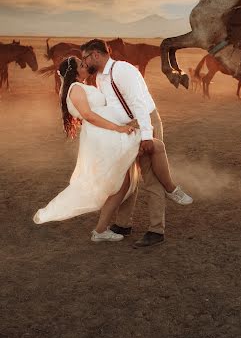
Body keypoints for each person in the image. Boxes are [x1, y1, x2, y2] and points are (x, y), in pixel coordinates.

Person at [80, 39, 192, 248]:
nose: (84, 63)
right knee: (127, 177)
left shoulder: (123, 70)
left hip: (144, 122)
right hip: (126, 129)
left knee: (150, 177)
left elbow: (139, 102)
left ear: (95, 54)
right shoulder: (101, 78)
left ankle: (156, 230)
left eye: (85, 58)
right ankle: (123, 224)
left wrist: (147, 135)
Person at [33, 56, 141, 242]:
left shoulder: (82, 85)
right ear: (75, 71)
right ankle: (100, 231)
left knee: (123, 182)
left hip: (106, 135)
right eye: (82, 65)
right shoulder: (75, 89)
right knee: (120, 182)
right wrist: (118, 128)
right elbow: (88, 115)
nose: (86, 66)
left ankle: (101, 230)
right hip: (102, 137)